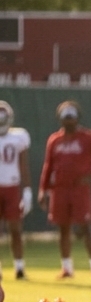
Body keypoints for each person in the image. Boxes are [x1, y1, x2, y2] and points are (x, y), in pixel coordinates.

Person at [39, 101, 91, 280]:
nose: (69, 122)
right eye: (66, 118)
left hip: (80, 189)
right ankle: (67, 268)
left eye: (71, 118)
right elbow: (48, 166)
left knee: (86, 227)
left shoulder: (87, 137)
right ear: (61, 119)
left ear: (77, 118)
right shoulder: (54, 140)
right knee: (63, 228)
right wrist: (43, 189)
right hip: (60, 189)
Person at [0, 101, 33, 279]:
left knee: (16, 230)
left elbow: (23, 164)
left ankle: (19, 267)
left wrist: (27, 191)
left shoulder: (18, 136)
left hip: (12, 187)